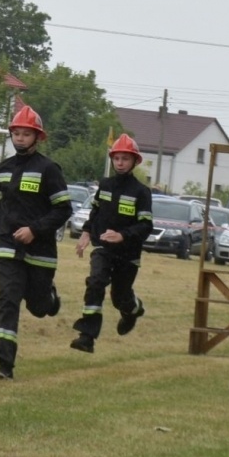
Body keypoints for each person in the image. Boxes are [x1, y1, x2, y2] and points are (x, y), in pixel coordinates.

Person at [0, 105, 71, 380]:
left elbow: (63, 209)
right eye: (16, 133)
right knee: (7, 300)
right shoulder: (4, 168)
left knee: (38, 308)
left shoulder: (49, 169)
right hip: (8, 247)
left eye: (26, 134)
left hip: (40, 252)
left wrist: (34, 230)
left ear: (37, 137)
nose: (19, 138)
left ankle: (50, 299)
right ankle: (4, 365)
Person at [70, 133, 152, 353]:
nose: (120, 163)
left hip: (128, 255)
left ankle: (133, 310)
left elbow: (146, 226)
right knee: (95, 282)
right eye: (116, 158)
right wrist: (87, 232)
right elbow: (95, 211)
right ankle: (86, 336)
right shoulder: (105, 185)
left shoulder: (141, 192)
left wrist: (123, 235)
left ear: (135, 161)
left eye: (125, 158)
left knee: (119, 298)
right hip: (103, 248)